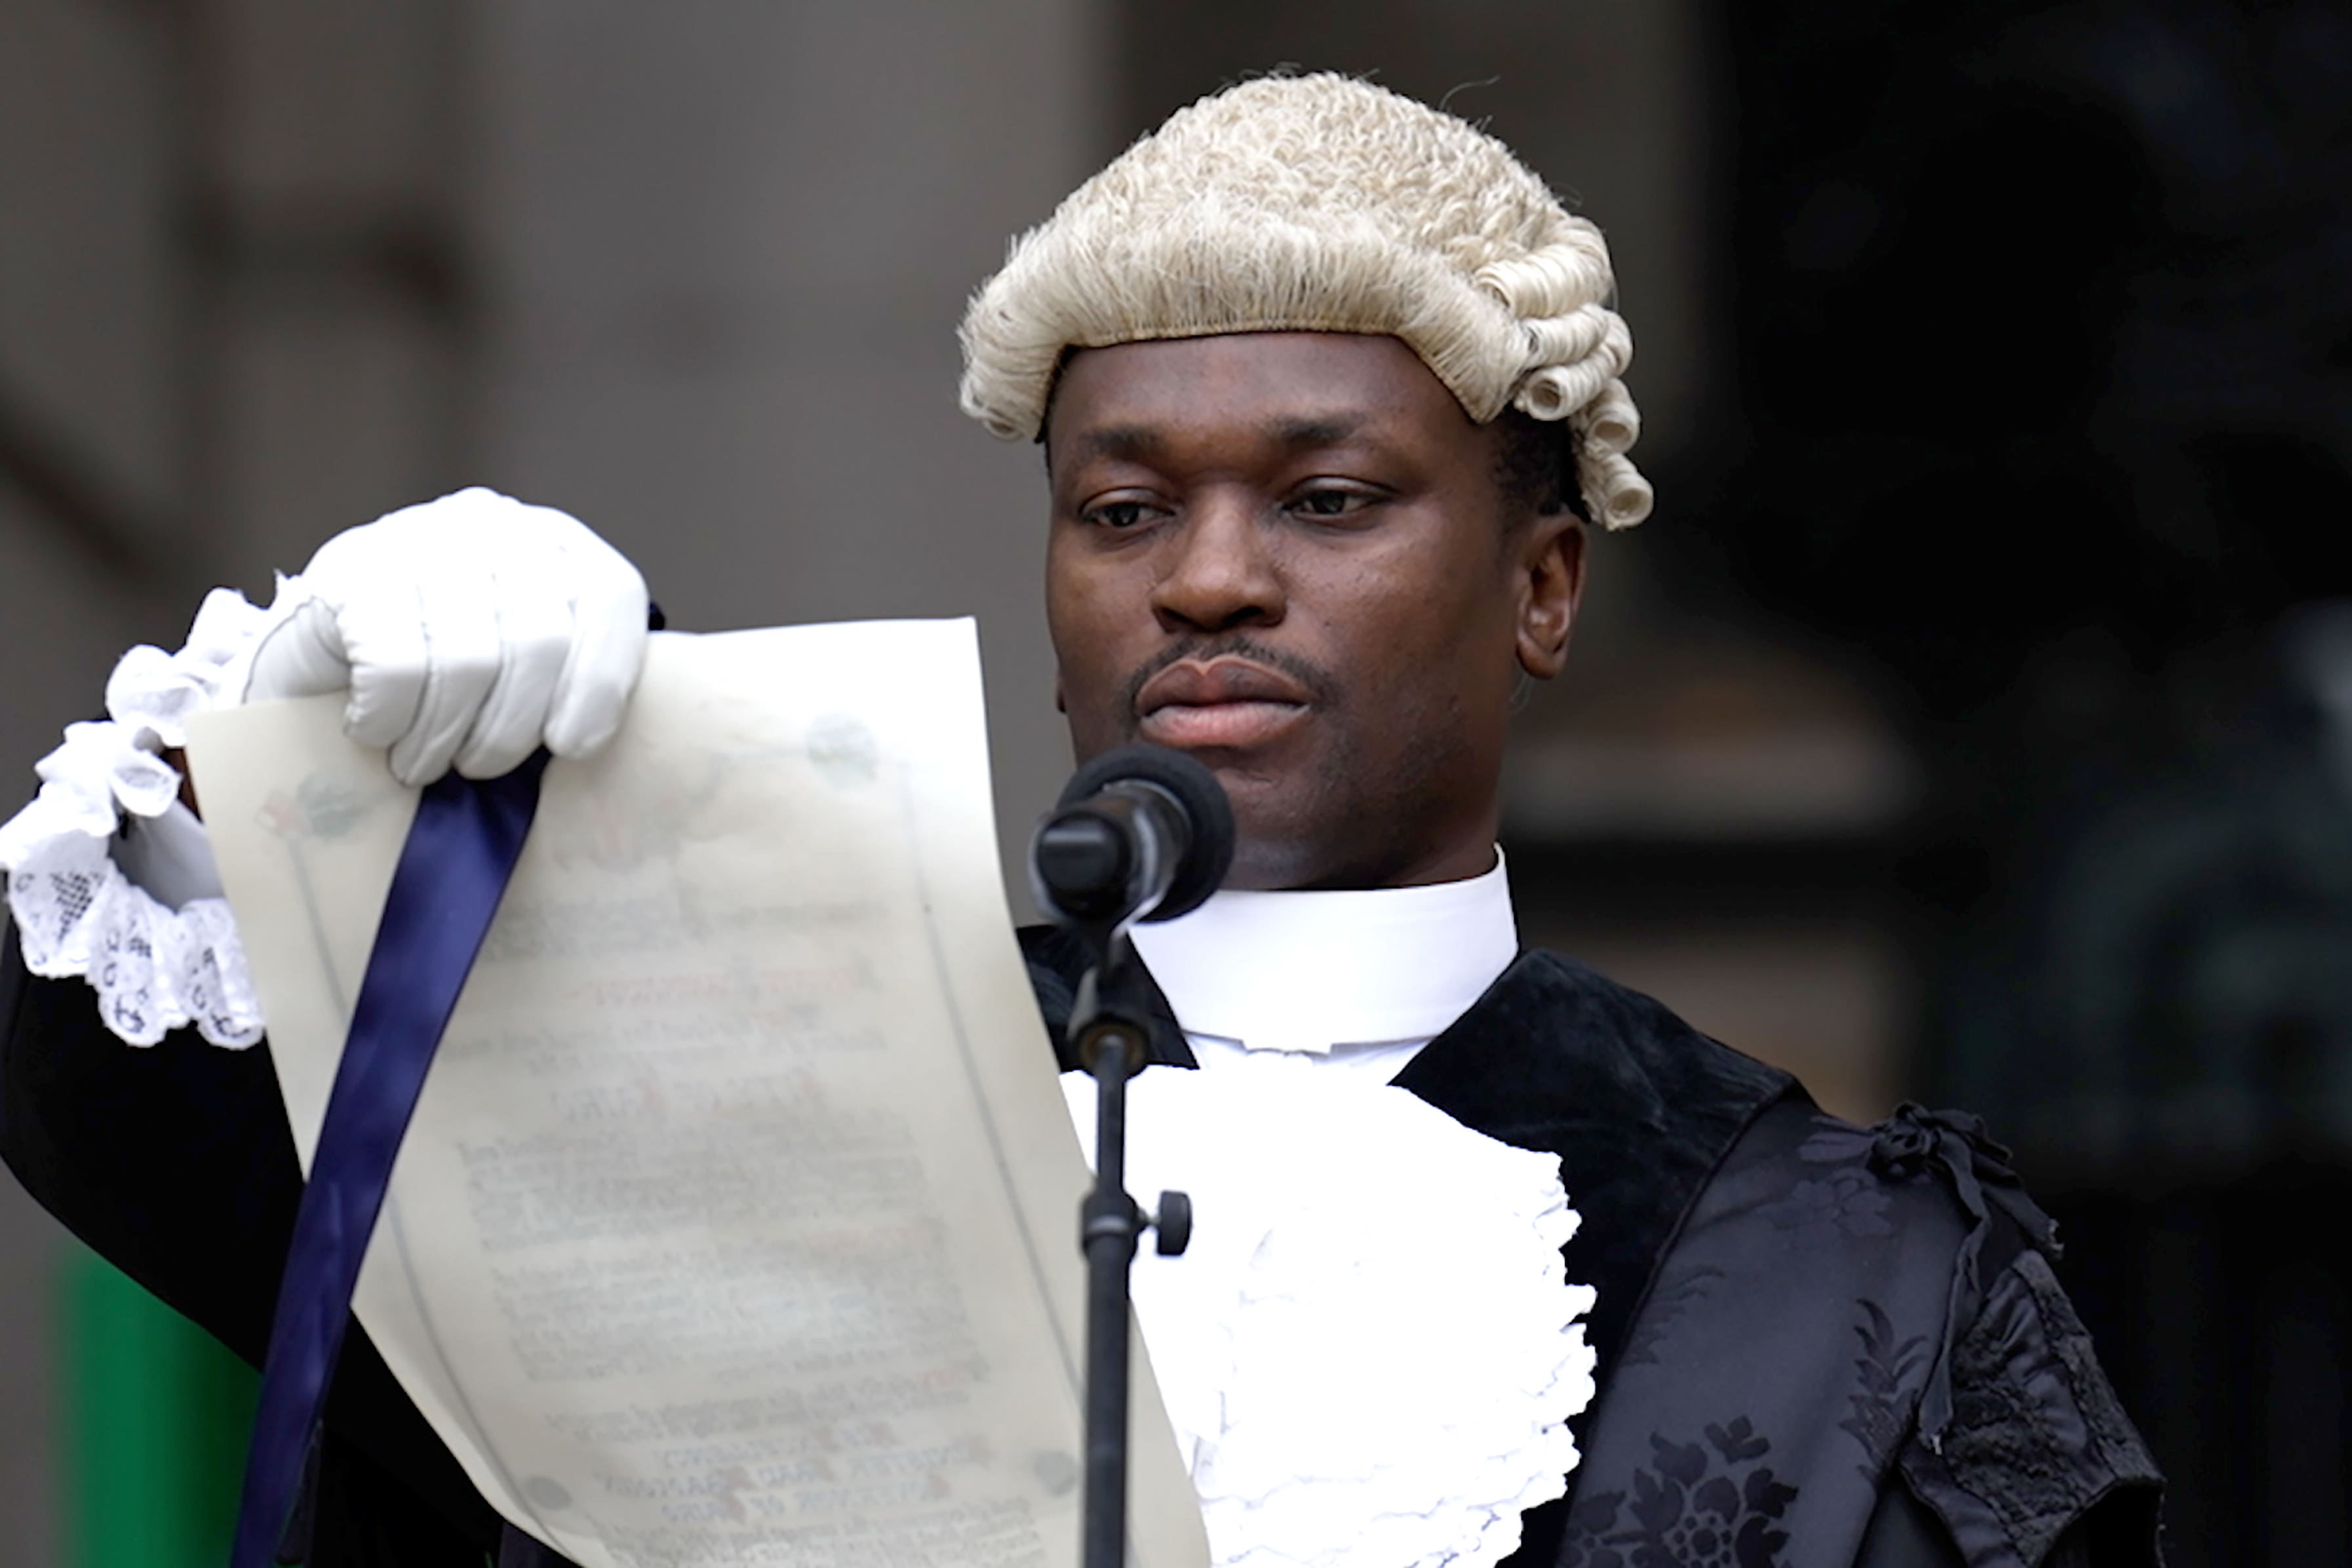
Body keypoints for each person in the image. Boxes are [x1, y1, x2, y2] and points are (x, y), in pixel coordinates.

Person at [0, 75, 2162, 1567]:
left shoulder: (1857, 1267)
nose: (1204, 576)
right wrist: (297, 737)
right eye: (1121, 508)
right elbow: (155, 1122)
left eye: (1326, 499)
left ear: (1540, 581)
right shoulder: (739, 1072)